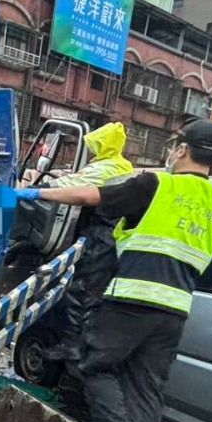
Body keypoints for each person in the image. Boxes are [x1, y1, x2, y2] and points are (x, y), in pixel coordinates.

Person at [15, 118, 212, 422]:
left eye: (176, 146)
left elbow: (89, 195)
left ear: (183, 149)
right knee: (147, 384)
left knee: (90, 362)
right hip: (175, 311)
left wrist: (34, 192)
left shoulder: (156, 184)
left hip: (132, 298)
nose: (173, 152)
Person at [35, 122, 135, 364]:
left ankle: (73, 348)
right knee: (86, 291)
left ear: (105, 145)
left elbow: (75, 186)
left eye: (95, 146)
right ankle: (75, 347)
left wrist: (37, 190)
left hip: (102, 233)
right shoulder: (122, 166)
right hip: (107, 232)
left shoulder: (109, 167)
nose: (91, 151)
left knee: (82, 290)